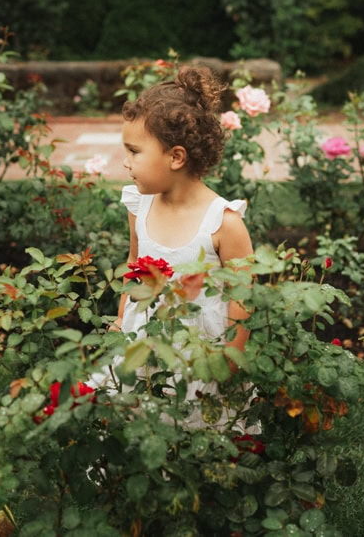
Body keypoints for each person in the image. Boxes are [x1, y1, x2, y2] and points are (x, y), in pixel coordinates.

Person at [94, 64, 256, 430]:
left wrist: (231, 357)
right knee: (138, 425)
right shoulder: (141, 206)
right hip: (147, 341)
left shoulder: (223, 222)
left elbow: (243, 294)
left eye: (135, 151)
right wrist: (121, 321)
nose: (125, 161)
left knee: (195, 429)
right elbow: (135, 261)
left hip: (201, 351)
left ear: (176, 157)